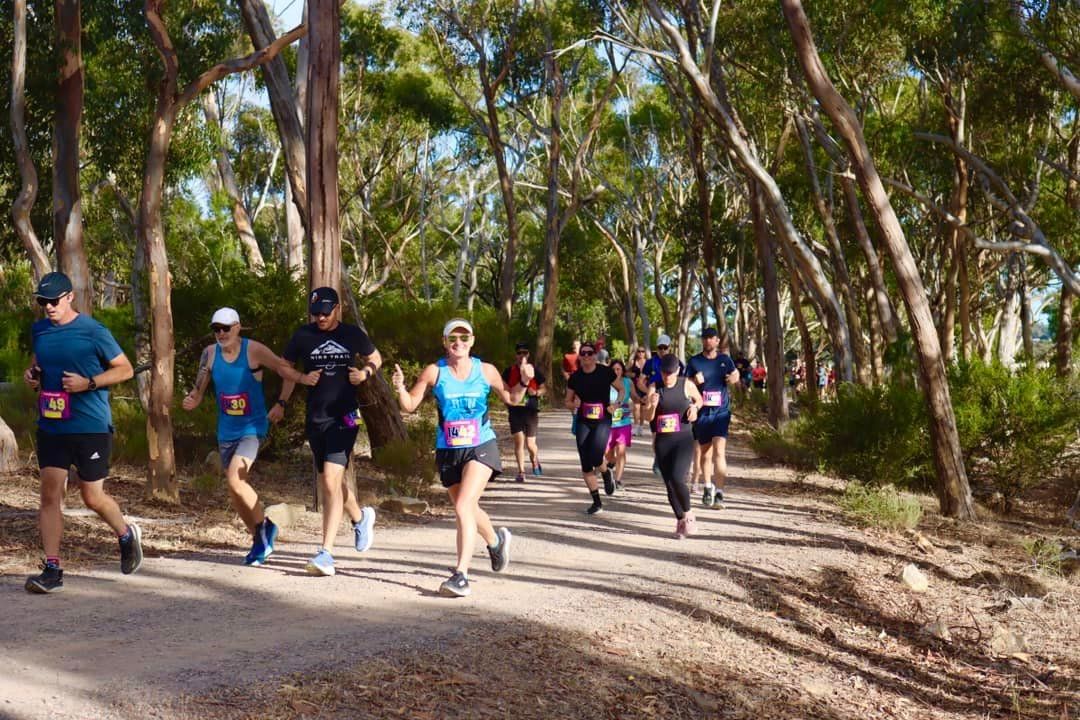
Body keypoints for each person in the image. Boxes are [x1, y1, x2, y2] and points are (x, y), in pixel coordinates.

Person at [23, 272, 141, 593]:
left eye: (54, 301)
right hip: (52, 425)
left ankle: (125, 534)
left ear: (70, 297)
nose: (48, 307)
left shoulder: (93, 331)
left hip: (90, 426)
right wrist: (33, 375)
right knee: (49, 494)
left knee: (92, 496)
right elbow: (40, 362)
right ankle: (52, 569)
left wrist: (87, 383)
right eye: (43, 301)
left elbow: (125, 369)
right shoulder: (41, 330)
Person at [391, 318, 523, 597]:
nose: (459, 343)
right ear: (445, 342)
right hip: (449, 449)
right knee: (469, 508)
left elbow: (512, 399)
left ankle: (461, 575)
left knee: (463, 505)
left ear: (472, 341)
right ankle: (495, 540)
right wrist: (400, 388)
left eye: (464, 338)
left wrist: (524, 380)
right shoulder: (434, 372)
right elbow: (410, 406)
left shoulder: (485, 370)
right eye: (453, 338)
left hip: (481, 444)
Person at [182, 308, 322, 565]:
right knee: (235, 490)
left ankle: (264, 532)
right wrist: (193, 399)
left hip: (252, 427)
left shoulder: (254, 350)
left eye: (226, 328)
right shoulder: (210, 354)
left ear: (238, 327)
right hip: (226, 430)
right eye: (216, 329)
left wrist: (290, 393)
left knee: (236, 480)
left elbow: (283, 368)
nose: (221, 334)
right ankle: (261, 534)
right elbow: (199, 387)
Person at [270, 287, 379, 577]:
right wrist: (298, 382)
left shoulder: (352, 334)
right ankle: (360, 517)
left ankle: (326, 553)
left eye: (325, 312)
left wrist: (364, 373)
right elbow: (283, 367)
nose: (320, 318)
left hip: (344, 416)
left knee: (330, 480)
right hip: (316, 418)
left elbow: (375, 358)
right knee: (330, 481)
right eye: (315, 313)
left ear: (338, 309)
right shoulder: (302, 336)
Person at [645, 354, 703, 538]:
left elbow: (699, 400)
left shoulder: (686, 384)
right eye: (663, 372)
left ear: (678, 370)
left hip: (683, 439)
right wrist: (652, 406)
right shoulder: (654, 388)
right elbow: (648, 417)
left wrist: (694, 408)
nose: (666, 376)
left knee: (678, 478)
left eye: (670, 373)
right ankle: (680, 521)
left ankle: (688, 515)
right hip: (663, 441)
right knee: (669, 484)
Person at [566, 341, 626, 514]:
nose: (586, 356)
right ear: (580, 356)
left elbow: (621, 390)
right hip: (583, 420)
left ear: (595, 355)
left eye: (589, 353)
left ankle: (606, 473)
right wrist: (573, 404)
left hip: (602, 419)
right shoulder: (575, 377)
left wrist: (616, 404)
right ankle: (596, 502)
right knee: (585, 463)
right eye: (583, 353)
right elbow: (567, 401)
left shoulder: (605, 372)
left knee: (596, 455)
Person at [686, 328, 741, 509]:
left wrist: (734, 377)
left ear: (717, 341)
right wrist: (695, 380)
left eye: (712, 338)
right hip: (703, 413)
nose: (708, 341)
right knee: (705, 454)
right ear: (702, 341)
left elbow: (735, 375)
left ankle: (719, 493)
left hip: (721, 412)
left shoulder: (724, 360)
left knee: (719, 450)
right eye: (705, 338)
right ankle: (708, 487)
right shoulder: (695, 361)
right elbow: (685, 385)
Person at [502, 342, 546, 481]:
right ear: (516, 355)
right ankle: (521, 472)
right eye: (519, 353)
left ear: (528, 355)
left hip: (531, 411)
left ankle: (534, 460)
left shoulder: (534, 371)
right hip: (515, 411)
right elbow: (504, 389)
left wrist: (537, 392)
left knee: (531, 444)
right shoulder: (509, 371)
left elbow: (544, 388)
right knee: (519, 442)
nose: (522, 356)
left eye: (525, 353)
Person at [603, 359, 634, 491]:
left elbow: (635, 396)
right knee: (606, 452)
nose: (616, 372)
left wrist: (643, 400)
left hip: (624, 422)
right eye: (614, 369)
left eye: (618, 369)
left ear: (622, 371)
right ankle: (612, 462)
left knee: (621, 451)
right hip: (609, 423)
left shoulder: (628, 382)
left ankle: (618, 480)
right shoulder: (605, 382)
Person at [628, 346, 650, 437]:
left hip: (645, 387)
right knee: (636, 407)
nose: (641, 353)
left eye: (643, 351)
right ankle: (636, 426)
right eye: (639, 351)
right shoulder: (632, 362)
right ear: (636, 352)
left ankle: (641, 427)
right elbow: (624, 372)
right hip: (635, 387)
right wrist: (632, 374)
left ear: (645, 353)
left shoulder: (648, 363)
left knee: (643, 408)